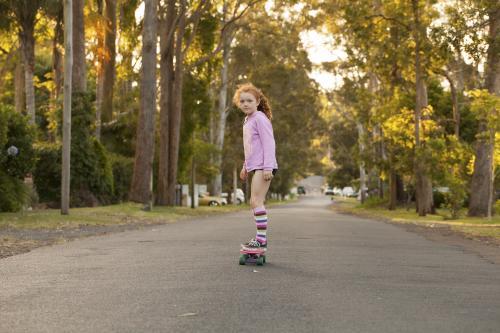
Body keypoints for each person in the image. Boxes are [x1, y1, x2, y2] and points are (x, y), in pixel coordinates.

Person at [233, 83, 278, 249]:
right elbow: (250, 147)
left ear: (257, 101)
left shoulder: (259, 118)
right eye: (242, 101)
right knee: (254, 201)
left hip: (264, 166)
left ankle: (261, 240)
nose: (245, 104)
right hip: (256, 165)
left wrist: (267, 167)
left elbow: (269, 143)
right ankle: (260, 238)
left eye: (249, 100)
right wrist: (245, 166)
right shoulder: (247, 120)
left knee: (256, 201)